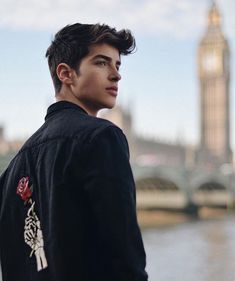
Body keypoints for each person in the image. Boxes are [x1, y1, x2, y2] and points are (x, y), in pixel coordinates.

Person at [0, 23, 148, 281]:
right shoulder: (102, 137)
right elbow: (124, 257)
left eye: (118, 65)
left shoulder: (13, 168)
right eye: (102, 63)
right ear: (66, 74)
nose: (116, 75)